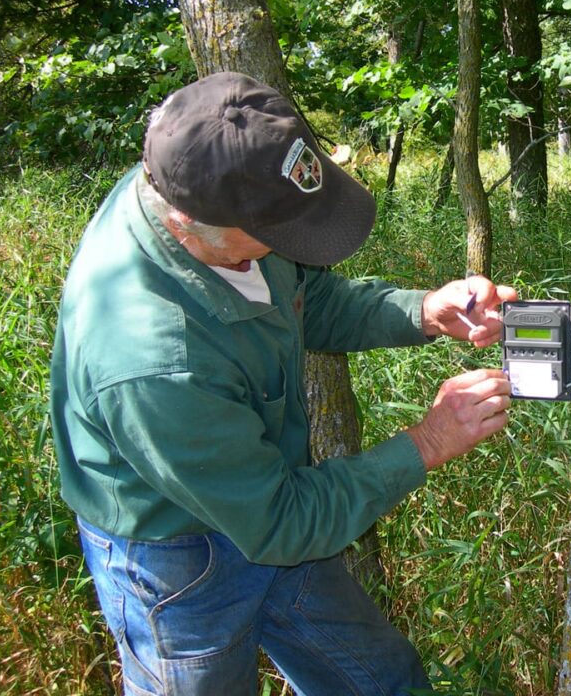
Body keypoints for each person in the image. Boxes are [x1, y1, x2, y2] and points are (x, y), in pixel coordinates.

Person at [49, 71, 517, 696]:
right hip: (176, 559)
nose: (285, 248)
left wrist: (423, 309)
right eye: (274, 237)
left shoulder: (207, 177)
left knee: (379, 682)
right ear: (188, 224)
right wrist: (428, 442)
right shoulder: (155, 359)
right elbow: (282, 524)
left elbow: (305, 296)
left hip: (271, 497)